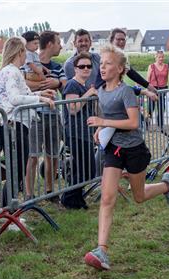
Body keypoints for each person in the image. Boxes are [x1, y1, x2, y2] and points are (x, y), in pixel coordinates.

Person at [84, 45, 169, 271]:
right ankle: (102, 250)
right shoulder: (102, 90)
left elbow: (133, 123)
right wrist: (102, 129)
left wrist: (103, 123)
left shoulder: (126, 91)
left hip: (135, 150)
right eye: (102, 63)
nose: (102, 67)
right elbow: (109, 115)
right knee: (107, 198)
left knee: (139, 195)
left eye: (107, 64)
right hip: (114, 149)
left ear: (119, 69)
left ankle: (166, 185)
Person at [0, 37, 55, 206]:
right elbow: (14, 98)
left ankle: (10, 209)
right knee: (16, 170)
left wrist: (42, 95)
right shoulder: (11, 72)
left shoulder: (12, 71)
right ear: (20, 52)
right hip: (13, 125)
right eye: (25, 53)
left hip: (14, 124)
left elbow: (25, 94)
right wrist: (40, 100)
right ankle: (8, 210)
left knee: (18, 170)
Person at [24, 31, 66, 202]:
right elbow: (22, 84)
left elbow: (65, 86)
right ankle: (29, 193)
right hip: (34, 116)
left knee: (53, 154)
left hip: (53, 115)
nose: (61, 46)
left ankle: (50, 190)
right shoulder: (27, 63)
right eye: (58, 43)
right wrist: (41, 86)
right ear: (49, 44)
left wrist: (57, 83)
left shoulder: (57, 67)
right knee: (33, 155)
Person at [60, 52, 98, 209]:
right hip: (76, 132)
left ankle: (75, 199)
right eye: (82, 66)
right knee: (86, 170)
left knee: (84, 169)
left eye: (89, 66)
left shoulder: (83, 85)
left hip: (85, 132)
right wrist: (89, 93)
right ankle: (69, 198)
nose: (86, 69)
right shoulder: (72, 84)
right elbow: (72, 109)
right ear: (75, 68)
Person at [146, 50, 169, 126]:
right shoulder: (151, 66)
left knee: (162, 108)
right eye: (159, 57)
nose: (161, 59)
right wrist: (147, 90)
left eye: (162, 57)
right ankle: (147, 123)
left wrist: (165, 87)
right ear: (155, 57)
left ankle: (160, 124)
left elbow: (166, 78)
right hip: (153, 88)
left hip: (163, 89)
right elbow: (148, 78)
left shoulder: (166, 66)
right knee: (150, 108)